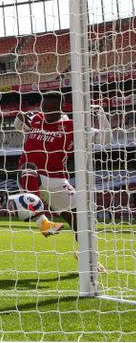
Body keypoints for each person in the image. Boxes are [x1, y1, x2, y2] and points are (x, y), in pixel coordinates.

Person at [13, 91, 111, 271]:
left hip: (57, 180)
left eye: (51, 109)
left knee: (81, 220)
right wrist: (19, 118)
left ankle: (87, 257)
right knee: (28, 168)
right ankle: (43, 222)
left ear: (61, 108)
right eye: (44, 108)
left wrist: (100, 114)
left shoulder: (72, 126)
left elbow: (105, 140)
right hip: (32, 176)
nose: (46, 112)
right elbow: (18, 126)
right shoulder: (35, 119)